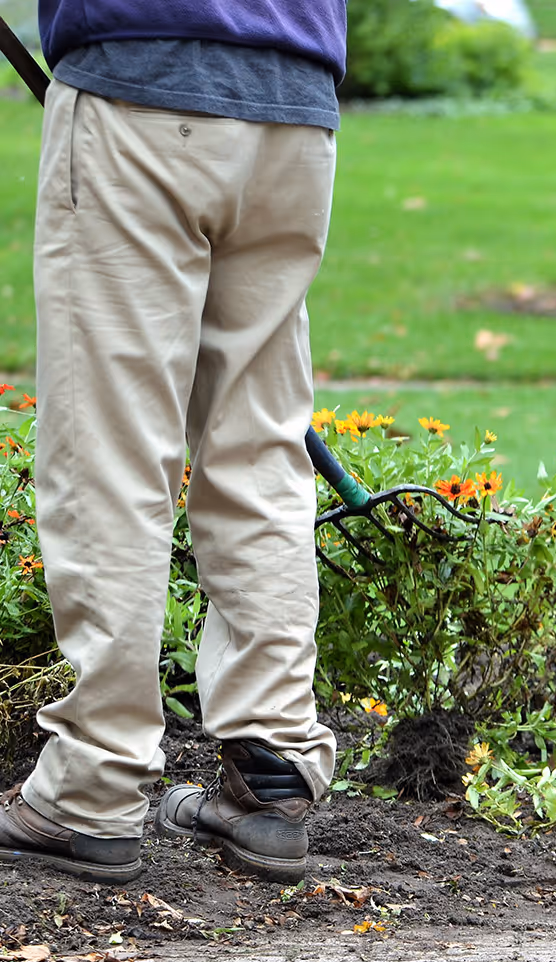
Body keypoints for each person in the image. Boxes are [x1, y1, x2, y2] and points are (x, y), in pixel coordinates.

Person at [0, 2, 345, 883]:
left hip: (139, 88)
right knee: (261, 446)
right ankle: (271, 772)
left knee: (110, 453)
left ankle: (91, 788)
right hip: (293, 103)